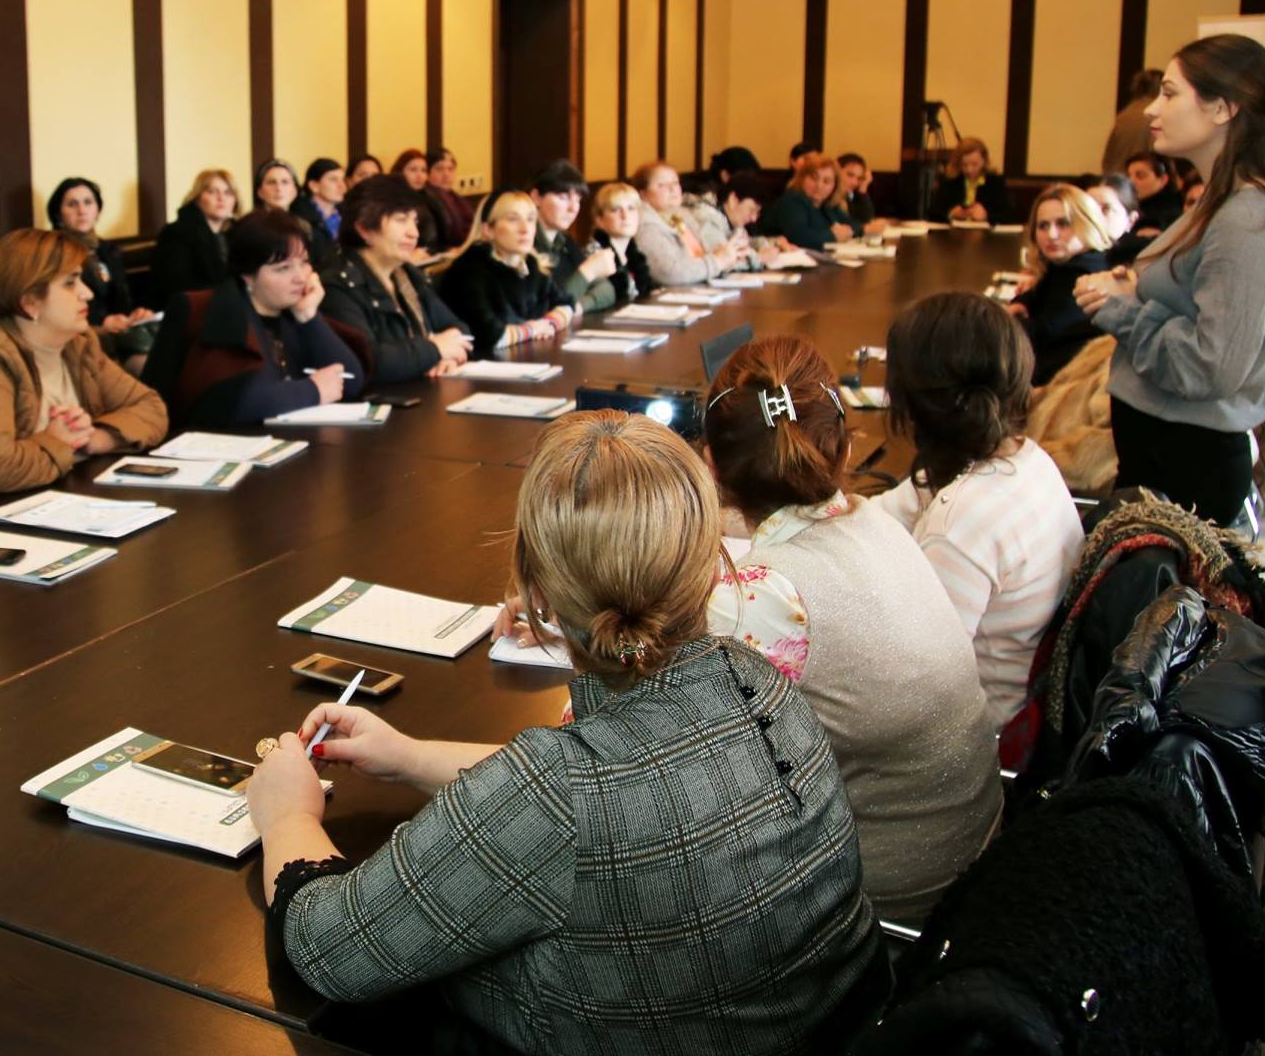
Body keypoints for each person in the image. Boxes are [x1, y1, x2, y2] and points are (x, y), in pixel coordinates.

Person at [247, 411, 886, 1053]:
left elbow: (332, 949)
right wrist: (412, 759)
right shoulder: (758, 682)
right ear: (711, 561)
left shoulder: (555, 792)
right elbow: (629, 782)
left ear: (535, 587)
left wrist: (286, 817)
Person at [702, 335, 1002, 922]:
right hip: (972, 859)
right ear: (844, 452)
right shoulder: (873, 519)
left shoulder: (762, 598)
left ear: (710, 466)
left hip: (886, 905)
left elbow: (628, 723)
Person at [1075, 33, 1265, 525]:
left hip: (1187, 464)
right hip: (1165, 455)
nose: (1153, 111)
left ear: (1222, 108)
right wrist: (1131, 287)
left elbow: (1210, 366)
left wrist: (1118, 309)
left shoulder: (1250, 219)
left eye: (1171, 94)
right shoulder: (1223, 201)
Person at [873, 294, 1084, 728]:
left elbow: (919, 690)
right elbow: (910, 499)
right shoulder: (1024, 459)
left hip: (985, 732)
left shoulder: (958, 525)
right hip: (1027, 690)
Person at [0, 230, 167, 497]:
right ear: (30, 303)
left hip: (52, 499)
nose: (87, 293)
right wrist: (59, 443)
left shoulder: (78, 345)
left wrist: (93, 438)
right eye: (70, 283)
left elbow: (151, 408)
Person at [142, 209, 365, 427]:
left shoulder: (293, 310)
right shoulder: (215, 310)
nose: (300, 277)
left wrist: (308, 316)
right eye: (283, 268)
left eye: (304, 262)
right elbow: (230, 401)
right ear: (248, 276)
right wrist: (312, 390)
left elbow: (351, 380)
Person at [317, 176, 472, 382]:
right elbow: (370, 360)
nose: (414, 233)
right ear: (364, 228)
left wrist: (448, 357)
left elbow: (458, 328)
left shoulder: (406, 274)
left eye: (414, 221)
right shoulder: (338, 286)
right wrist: (434, 350)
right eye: (401, 220)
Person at [438, 192, 575, 354]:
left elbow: (566, 304)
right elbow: (490, 335)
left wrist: (549, 324)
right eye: (513, 219)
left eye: (531, 219)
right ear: (488, 229)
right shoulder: (469, 269)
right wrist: (531, 330)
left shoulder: (530, 264)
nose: (525, 229)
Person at [47, 176, 156, 372]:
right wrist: (102, 323)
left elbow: (123, 299)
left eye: (88, 202)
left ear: (97, 210)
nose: (82, 210)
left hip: (120, 331)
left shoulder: (108, 250)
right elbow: (58, 307)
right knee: (147, 364)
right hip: (81, 334)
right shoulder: (54, 252)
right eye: (72, 204)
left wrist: (136, 314)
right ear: (58, 214)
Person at [1007, 185, 1111, 386]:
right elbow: (1039, 293)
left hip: (1054, 387)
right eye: (1043, 226)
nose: (1051, 235)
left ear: (1087, 223)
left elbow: (1039, 336)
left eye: (1063, 223)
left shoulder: (1082, 276)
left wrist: (1005, 318)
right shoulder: (1073, 264)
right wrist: (1023, 302)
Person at [524, 160, 621, 313]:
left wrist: (578, 307)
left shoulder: (565, 241)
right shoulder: (524, 243)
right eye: (563, 198)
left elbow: (606, 290)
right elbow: (547, 306)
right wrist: (587, 271)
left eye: (578, 200)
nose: (573, 208)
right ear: (536, 197)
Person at [631, 160, 748, 286]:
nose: (673, 189)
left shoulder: (682, 216)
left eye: (675, 183)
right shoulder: (646, 225)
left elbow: (708, 256)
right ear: (642, 194)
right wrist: (717, 261)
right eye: (662, 185)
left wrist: (730, 256)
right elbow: (670, 273)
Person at [151, 168, 242, 301]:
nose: (221, 198)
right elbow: (177, 288)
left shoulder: (234, 234)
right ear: (197, 198)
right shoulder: (176, 233)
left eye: (228, 193)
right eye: (212, 192)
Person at [757, 154, 857, 249]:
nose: (819, 186)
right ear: (802, 178)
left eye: (826, 181)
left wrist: (847, 231)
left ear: (834, 186)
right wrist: (833, 235)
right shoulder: (792, 200)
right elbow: (799, 237)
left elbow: (854, 226)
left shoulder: (827, 205)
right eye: (814, 178)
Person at [587, 181, 656, 306]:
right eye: (615, 210)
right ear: (599, 219)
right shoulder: (594, 254)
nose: (625, 216)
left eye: (631, 209)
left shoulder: (634, 253)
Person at [932, 139, 1014, 225]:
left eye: (974, 164)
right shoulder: (950, 182)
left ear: (984, 161)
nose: (969, 170)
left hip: (986, 236)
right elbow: (933, 214)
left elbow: (1008, 217)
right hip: (955, 234)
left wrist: (986, 216)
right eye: (964, 165)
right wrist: (951, 213)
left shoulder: (995, 182)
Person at [389, 150, 451, 260]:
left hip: (435, 255)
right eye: (413, 170)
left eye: (423, 170)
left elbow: (444, 233)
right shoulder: (393, 201)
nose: (419, 175)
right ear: (399, 171)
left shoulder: (430, 197)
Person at [1102, 67, 1163, 174]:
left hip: (1117, 178)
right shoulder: (1154, 114)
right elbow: (1157, 156)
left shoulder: (1124, 115)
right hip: (1141, 178)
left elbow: (1108, 158)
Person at [292, 158, 345, 260]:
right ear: (314, 185)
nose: (342, 186)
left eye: (342, 179)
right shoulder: (299, 218)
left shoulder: (347, 214)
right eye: (333, 179)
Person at [1123, 149, 1184, 237]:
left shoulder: (1170, 214)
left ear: (1163, 180)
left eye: (1140, 176)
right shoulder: (1127, 207)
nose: (1131, 181)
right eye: (1128, 176)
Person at [426, 148, 476, 249]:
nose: (446, 174)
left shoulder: (456, 197)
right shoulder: (427, 199)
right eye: (439, 169)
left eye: (451, 169)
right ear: (427, 173)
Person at [834, 153, 884, 234]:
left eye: (859, 178)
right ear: (836, 171)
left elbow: (865, 220)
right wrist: (865, 229)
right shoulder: (827, 197)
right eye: (850, 175)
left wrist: (863, 187)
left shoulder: (848, 196)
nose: (854, 182)